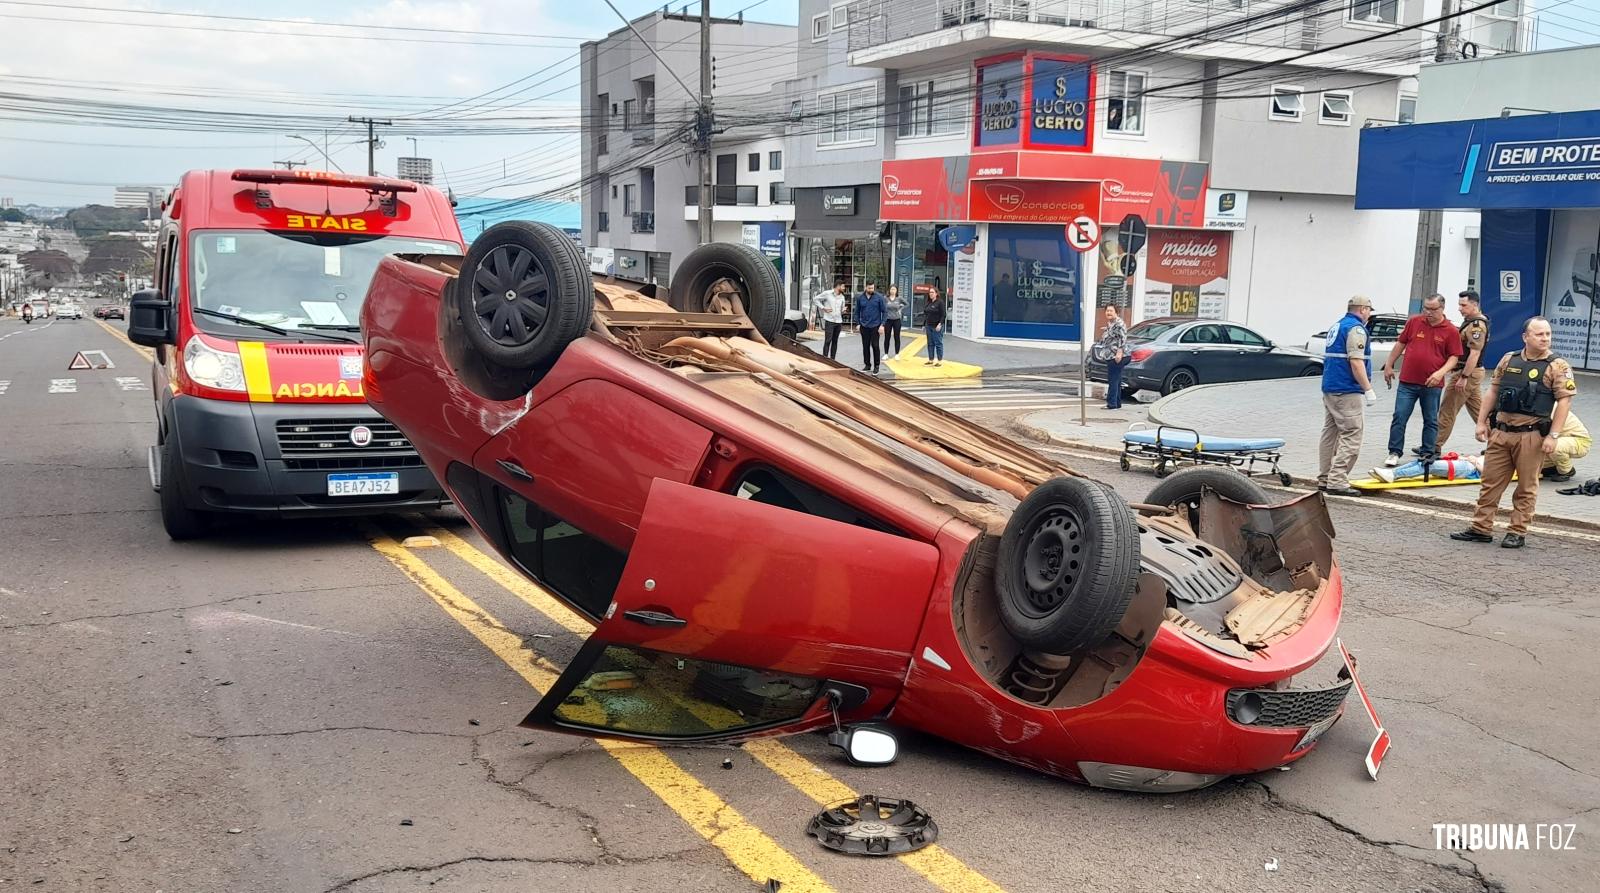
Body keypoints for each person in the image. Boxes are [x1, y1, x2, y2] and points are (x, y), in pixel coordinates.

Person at [1451, 317, 1576, 548]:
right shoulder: (1509, 359)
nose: (1545, 338)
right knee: (1490, 483)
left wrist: (1553, 436)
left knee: (1526, 487)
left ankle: (1516, 531)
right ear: (1525, 337)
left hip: (1531, 435)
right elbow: (1493, 392)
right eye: (1539, 334)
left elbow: (1565, 402)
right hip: (1501, 432)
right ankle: (1481, 528)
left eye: (1548, 334)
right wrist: (1481, 422)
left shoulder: (1558, 365)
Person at [1380, 294, 1462, 466]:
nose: (1428, 313)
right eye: (1426, 308)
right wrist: (1388, 364)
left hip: (1432, 384)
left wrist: (1440, 373)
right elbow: (1400, 344)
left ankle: (1427, 453)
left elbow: (1454, 357)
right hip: (1407, 381)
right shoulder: (1414, 322)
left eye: (1433, 309)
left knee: (1431, 419)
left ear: (1442, 308)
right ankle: (1394, 452)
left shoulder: (1451, 330)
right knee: (1400, 416)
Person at [1317, 295, 1379, 497]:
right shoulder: (1356, 329)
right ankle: (1337, 480)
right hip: (1346, 388)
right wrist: (1368, 389)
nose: (1369, 314)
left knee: (1330, 433)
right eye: (1369, 310)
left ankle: (1325, 477)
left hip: (1331, 386)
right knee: (1352, 433)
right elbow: (1356, 361)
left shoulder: (1337, 326)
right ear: (1362, 309)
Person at [1436, 290, 1490, 448]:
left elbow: (1474, 354)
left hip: (1468, 372)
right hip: (1472, 372)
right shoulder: (1470, 322)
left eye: (1463, 305)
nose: (1460, 308)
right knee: (1480, 412)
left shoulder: (1476, 326)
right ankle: (1498, 444)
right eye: (1459, 305)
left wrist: (1464, 377)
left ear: (1475, 305)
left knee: (1448, 409)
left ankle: (1433, 446)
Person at [1372, 452, 1484, 484]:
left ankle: (1393, 475)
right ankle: (1391, 472)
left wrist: (1476, 462)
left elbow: (1491, 472)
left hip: (1469, 468)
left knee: (1428, 465)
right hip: (1465, 464)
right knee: (1421, 461)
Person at [1540, 410, 1590, 482]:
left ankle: (1566, 471)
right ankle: (1552, 467)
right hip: (1556, 438)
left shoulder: (1543, 407)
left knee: (1552, 446)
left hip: (1579, 441)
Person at [1097, 304, 1131, 410]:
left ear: (1116, 312)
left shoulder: (1119, 323)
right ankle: (1116, 403)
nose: (1109, 313)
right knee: (1116, 379)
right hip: (1111, 354)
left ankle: (1111, 404)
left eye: (1111, 311)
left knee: (1113, 379)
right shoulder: (1111, 323)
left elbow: (1123, 338)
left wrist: (1119, 352)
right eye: (1107, 311)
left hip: (1117, 355)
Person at [855, 281, 887, 373]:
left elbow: (884, 312)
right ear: (865, 287)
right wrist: (857, 324)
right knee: (865, 346)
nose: (871, 290)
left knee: (875, 346)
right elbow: (857, 312)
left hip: (875, 326)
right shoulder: (860, 298)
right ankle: (867, 365)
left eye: (872, 288)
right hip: (864, 326)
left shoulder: (879, 297)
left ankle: (876, 366)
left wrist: (882, 325)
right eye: (869, 288)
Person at [814, 282, 845, 360]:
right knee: (828, 340)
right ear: (838, 286)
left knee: (835, 342)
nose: (844, 288)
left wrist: (843, 311)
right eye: (843, 286)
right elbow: (815, 299)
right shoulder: (827, 293)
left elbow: (841, 310)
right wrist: (823, 308)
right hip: (829, 321)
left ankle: (832, 360)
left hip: (838, 322)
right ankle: (824, 359)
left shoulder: (842, 297)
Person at [923, 287, 946, 367]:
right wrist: (924, 324)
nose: (931, 294)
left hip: (936, 326)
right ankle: (931, 359)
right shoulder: (928, 302)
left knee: (938, 343)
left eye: (932, 292)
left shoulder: (940, 302)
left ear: (936, 293)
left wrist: (940, 324)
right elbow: (926, 315)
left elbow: (943, 315)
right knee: (930, 343)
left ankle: (939, 361)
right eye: (930, 292)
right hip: (928, 326)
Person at [882, 285, 906, 358]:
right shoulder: (885, 298)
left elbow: (906, 303)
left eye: (894, 289)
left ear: (896, 290)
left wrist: (900, 308)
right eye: (891, 289)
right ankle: (886, 354)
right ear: (889, 290)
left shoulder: (899, 298)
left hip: (897, 320)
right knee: (887, 337)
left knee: (897, 337)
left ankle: (897, 354)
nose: (893, 291)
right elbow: (882, 306)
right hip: (888, 320)